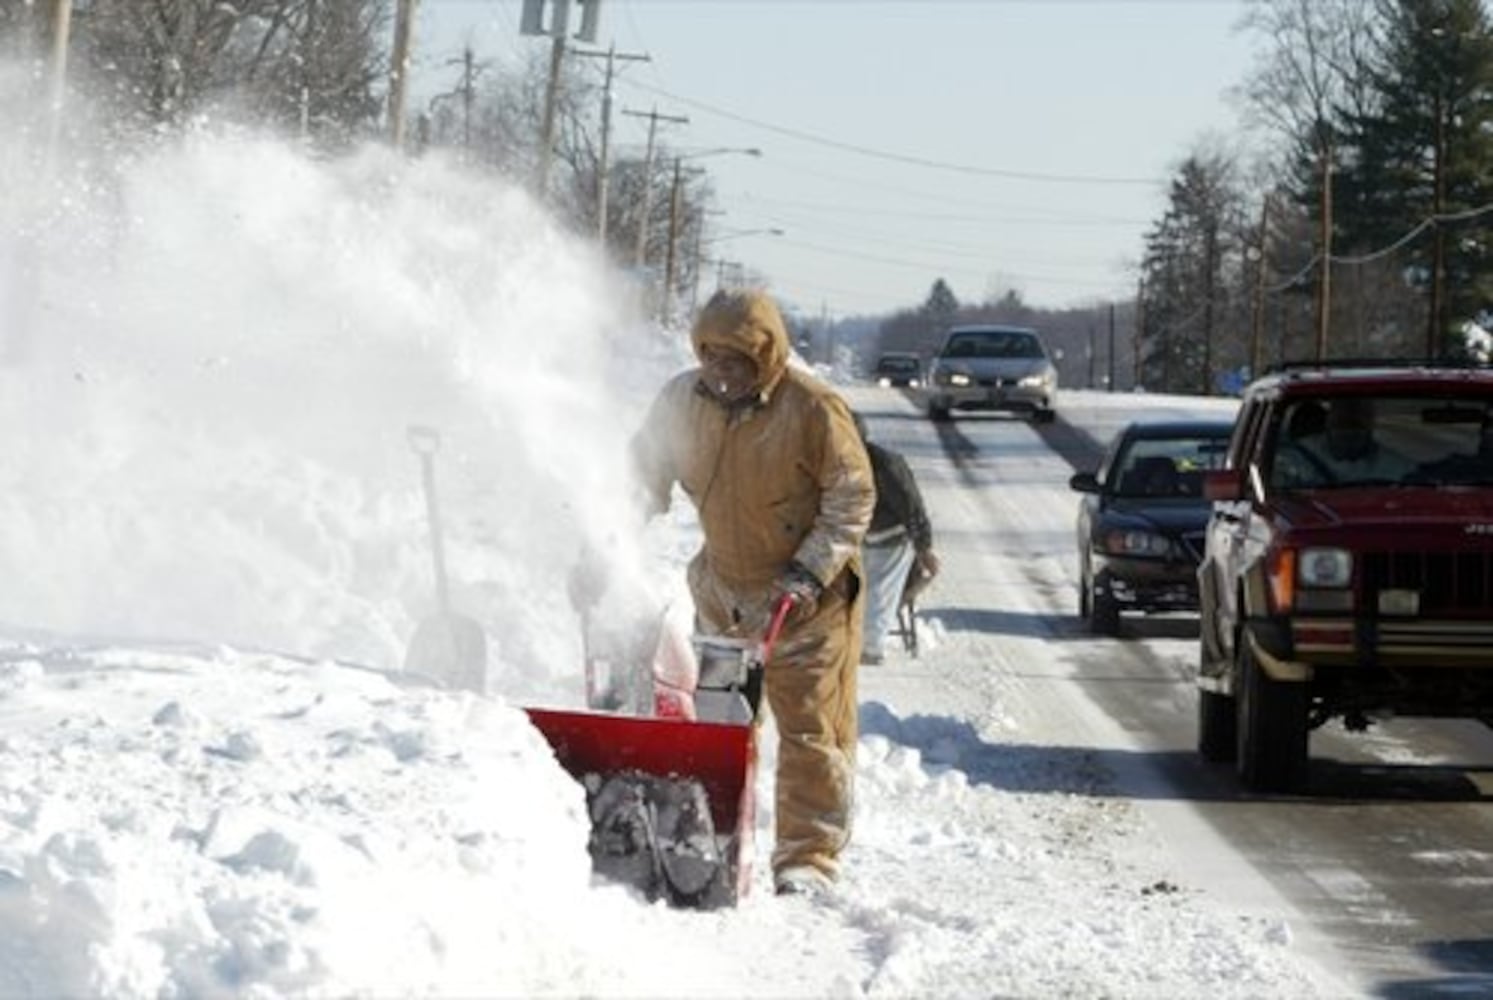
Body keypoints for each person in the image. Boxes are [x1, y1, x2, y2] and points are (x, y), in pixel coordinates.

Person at [629, 288, 875, 898]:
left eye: (736, 360)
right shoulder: (681, 402)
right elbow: (641, 477)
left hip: (809, 602)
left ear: (766, 357)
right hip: (724, 593)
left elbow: (852, 499)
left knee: (811, 728)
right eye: (711, 357)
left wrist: (807, 573)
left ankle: (807, 858)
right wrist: (607, 536)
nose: (720, 372)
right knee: (719, 720)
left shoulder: (813, 409)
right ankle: (709, 837)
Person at [852, 412, 938, 665]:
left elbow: (912, 506)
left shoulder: (886, 465)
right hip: (856, 536)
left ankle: (871, 648)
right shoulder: (835, 463)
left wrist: (924, 548)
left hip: (891, 535)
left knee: (878, 591)